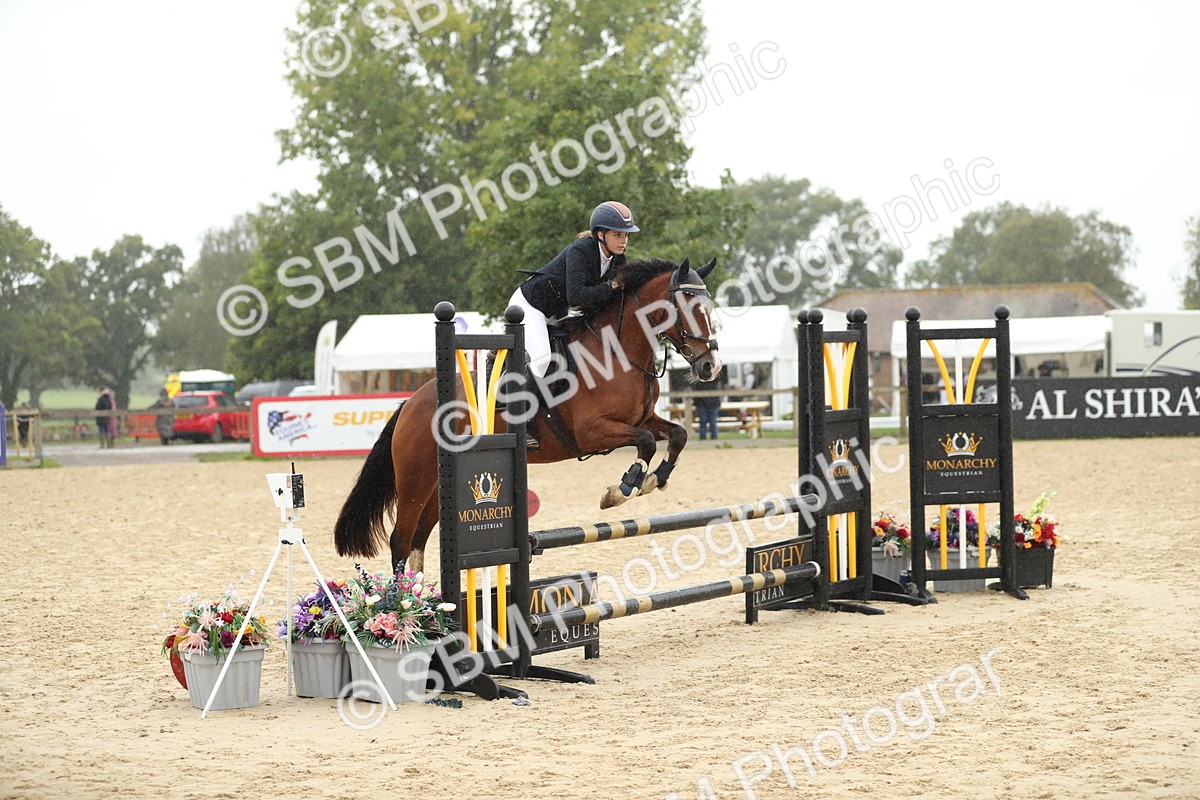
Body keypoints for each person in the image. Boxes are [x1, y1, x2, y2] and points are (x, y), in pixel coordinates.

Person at [507, 201, 639, 449]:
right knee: (544, 359)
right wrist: (610, 286)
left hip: (556, 312)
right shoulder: (581, 250)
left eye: (626, 236)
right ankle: (520, 421)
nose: (623, 241)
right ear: (601, 235)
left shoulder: (618, 260)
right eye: (617, 235)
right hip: (530, 306)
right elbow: (577, 296)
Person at [692, 374, 724, 441]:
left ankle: (714, 440)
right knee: (703, 421)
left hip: (713, 402)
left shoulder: (715, 375)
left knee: (713, 422)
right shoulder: (699, 375)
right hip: (701, 402)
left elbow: (720, 378)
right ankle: (702, 440)